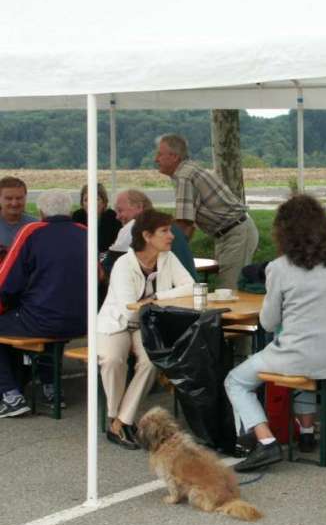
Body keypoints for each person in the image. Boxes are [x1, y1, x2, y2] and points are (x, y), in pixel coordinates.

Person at [225, 195, 326, 472]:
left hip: (296, 354)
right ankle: (306, 431)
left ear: (283, 230)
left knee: (235, 380)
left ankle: (265, 440)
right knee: (301, 369)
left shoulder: (278, 268)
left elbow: (269, 323)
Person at [97, 210, 194, 448]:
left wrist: (156, 297)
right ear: (147, 236)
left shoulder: (167, 258)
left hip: (146, 324)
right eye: (165, 231)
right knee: (112, 359)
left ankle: (121, 422)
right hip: (117, 322)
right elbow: (129, 310)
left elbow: (190, 286)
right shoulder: (123, 265)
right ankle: (113, 414)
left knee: (151, 360)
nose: (172, 236)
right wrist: (154, 303)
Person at [0, 190, 87, 418]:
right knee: (45, 313)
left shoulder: (31, 231)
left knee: (29, 317)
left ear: (40, 212)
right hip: (84, 320)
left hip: (45, 320)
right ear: (70, 210)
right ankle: (51, 388)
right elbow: (98, 275)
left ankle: (10, 396)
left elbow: (7, 281)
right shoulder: (85, 232)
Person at [155, 133, 257, 289]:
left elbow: (184, 226)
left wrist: (167, 253)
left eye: (160, 154)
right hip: (230, 232)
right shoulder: (187, 171)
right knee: (226, 290)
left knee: (228, 292)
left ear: (174, 157)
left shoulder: (184, 176)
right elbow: (188, 224)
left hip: (235, 233)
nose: (156, 159)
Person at [106, 189, 196, 280]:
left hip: (170, 287)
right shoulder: (171, 226)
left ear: (139, 207)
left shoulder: (133, 227)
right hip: (189, 284)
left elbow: (110, 267)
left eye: (120, 210)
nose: (117, 217)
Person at [71, 183, 122, 253]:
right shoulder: (77, 216)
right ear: (82, 203)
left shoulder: (113, 217)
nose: (90, 203)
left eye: (96, 199)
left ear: (104, 202)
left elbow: (117, 245)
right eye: (86, 200)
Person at [0, 176, 37, 257]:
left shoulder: (35, 226)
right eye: (9, 198)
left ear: (25, 197)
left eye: (19, 198)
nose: (14, 203)